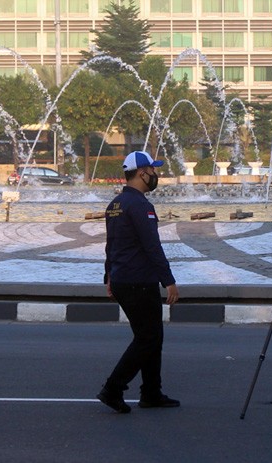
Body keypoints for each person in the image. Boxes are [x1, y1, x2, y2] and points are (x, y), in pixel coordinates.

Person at [97, 150, 180, 414]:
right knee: (148, 338)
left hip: (123, 279)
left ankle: (151, 393)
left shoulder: (116, 204)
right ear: (141, 173)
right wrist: (169, 281)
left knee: (151, 337)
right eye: (153, 170)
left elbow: (111, 246)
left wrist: (109, 276)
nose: (156, 174)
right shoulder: (141, 206)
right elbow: (152, 247)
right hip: (138, 281)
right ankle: (113, 388)